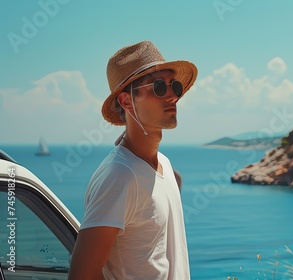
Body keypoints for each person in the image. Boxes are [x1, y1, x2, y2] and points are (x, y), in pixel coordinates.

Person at [68, 41, 197, 279]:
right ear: (127, 101)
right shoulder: (120, 176)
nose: (172, 95)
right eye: (159, 86)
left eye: (174, 86)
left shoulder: (165, 166)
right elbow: (82, 275)